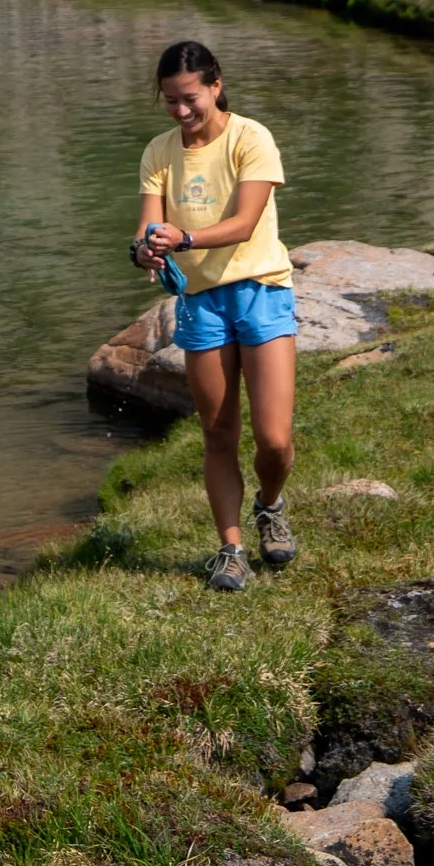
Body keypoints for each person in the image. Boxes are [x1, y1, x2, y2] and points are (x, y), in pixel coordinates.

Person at [131, 38, 296, 592]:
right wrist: (145, 249)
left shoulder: (252, 138)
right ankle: (231, 549)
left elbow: (247, 223)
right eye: (170, 101)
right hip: (201, 304)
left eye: (190, 98)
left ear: (216, 85)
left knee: (273, 439)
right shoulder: (158, 152)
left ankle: (270, 504)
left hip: (261, 292)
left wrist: (185, 237)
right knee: (218, 433)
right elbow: (147, 227)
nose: (181, 112)